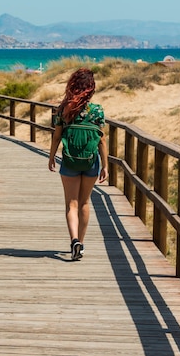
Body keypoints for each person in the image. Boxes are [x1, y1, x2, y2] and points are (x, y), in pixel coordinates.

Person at [48, 68, 108, 261]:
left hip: (69, 161)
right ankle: (80, 244)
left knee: (71, 204)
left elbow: (57, 136)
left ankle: (73, 240)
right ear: (91, 89)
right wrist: (105, 165)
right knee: (84, 202)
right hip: (91, 162)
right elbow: (102, 140)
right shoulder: (97, 110)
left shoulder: (64, 109)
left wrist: (51, 157)